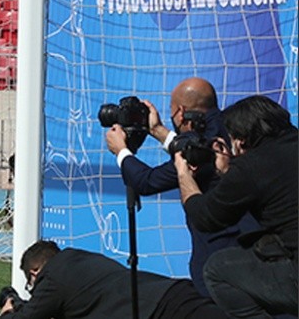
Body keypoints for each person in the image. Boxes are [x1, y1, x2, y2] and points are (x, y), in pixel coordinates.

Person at [105, 76, 257, 296]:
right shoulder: (231, 127)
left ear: (181, 112)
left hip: (222, 254)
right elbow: (190, 147)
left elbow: (146, 182)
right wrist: (158, 130)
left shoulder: (207, 143)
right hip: (256, 249)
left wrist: (121, 151)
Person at [174, 95, 298, 317]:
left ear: (240, 141)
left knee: (217, 270)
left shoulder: (251, 167)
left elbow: (205, 217)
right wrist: (228, 173)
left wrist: (184, 175)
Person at [0, 240, 228, 318]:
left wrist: (8, 309)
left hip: (158, 311)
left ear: (35, 273)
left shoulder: (53, 278)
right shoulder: (77, 258)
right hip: (175, 294)